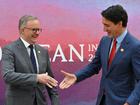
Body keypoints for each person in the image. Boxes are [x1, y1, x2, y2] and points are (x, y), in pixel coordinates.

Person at [59, 5, 140, 105]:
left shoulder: (135, 46)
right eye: (103, 25)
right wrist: (76, 76)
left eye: (107, 25)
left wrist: (130, 103)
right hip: (103, 100)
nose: (104, 29)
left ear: (119, 24)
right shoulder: (105, 41)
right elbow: (94, 66)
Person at [2, 15, 60, 105]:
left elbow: (50, 81)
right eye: (34, 30)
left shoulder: (43, 51)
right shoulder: (9, 49)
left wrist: (55, 103)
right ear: (22, 30)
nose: (37, 33)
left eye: (39, 30)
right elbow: (8, 76)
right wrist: (36, 78)